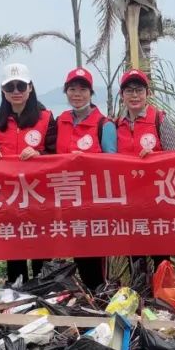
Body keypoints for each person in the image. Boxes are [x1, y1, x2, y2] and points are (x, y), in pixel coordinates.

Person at [0, 63, 56, 285]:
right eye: (10, 87)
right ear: (3, 91)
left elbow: (57, 153)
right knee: (14, 251)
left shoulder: (46, 118)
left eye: (21, 86)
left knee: (42, 250)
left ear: (30, 87)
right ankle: (17, 293)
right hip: (9, 199)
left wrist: (40, 154)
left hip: (40, 197)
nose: (16, 91)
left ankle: (44, 291)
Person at [115, 68, 175, 286]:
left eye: (139, 90)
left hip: (158, 200)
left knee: (160, 251)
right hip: (129, 201)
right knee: (135, 252)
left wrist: (156, 158)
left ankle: (163, 293)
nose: (134, 95)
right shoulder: (116, 125)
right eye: (129, 90)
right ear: (122, 95)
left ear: (148, 93)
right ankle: (139, 293)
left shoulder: (160, 120)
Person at [55, 67, 116, 290]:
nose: (77, 94)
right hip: (69, 200)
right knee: (79, 254)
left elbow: (114, 163)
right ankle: (90, 298)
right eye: (72, 89)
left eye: (82, 89)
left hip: (95, 203)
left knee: (96, 256)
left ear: (91, 93)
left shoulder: (104, 125)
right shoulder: (60, 121)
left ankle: (100, 297)